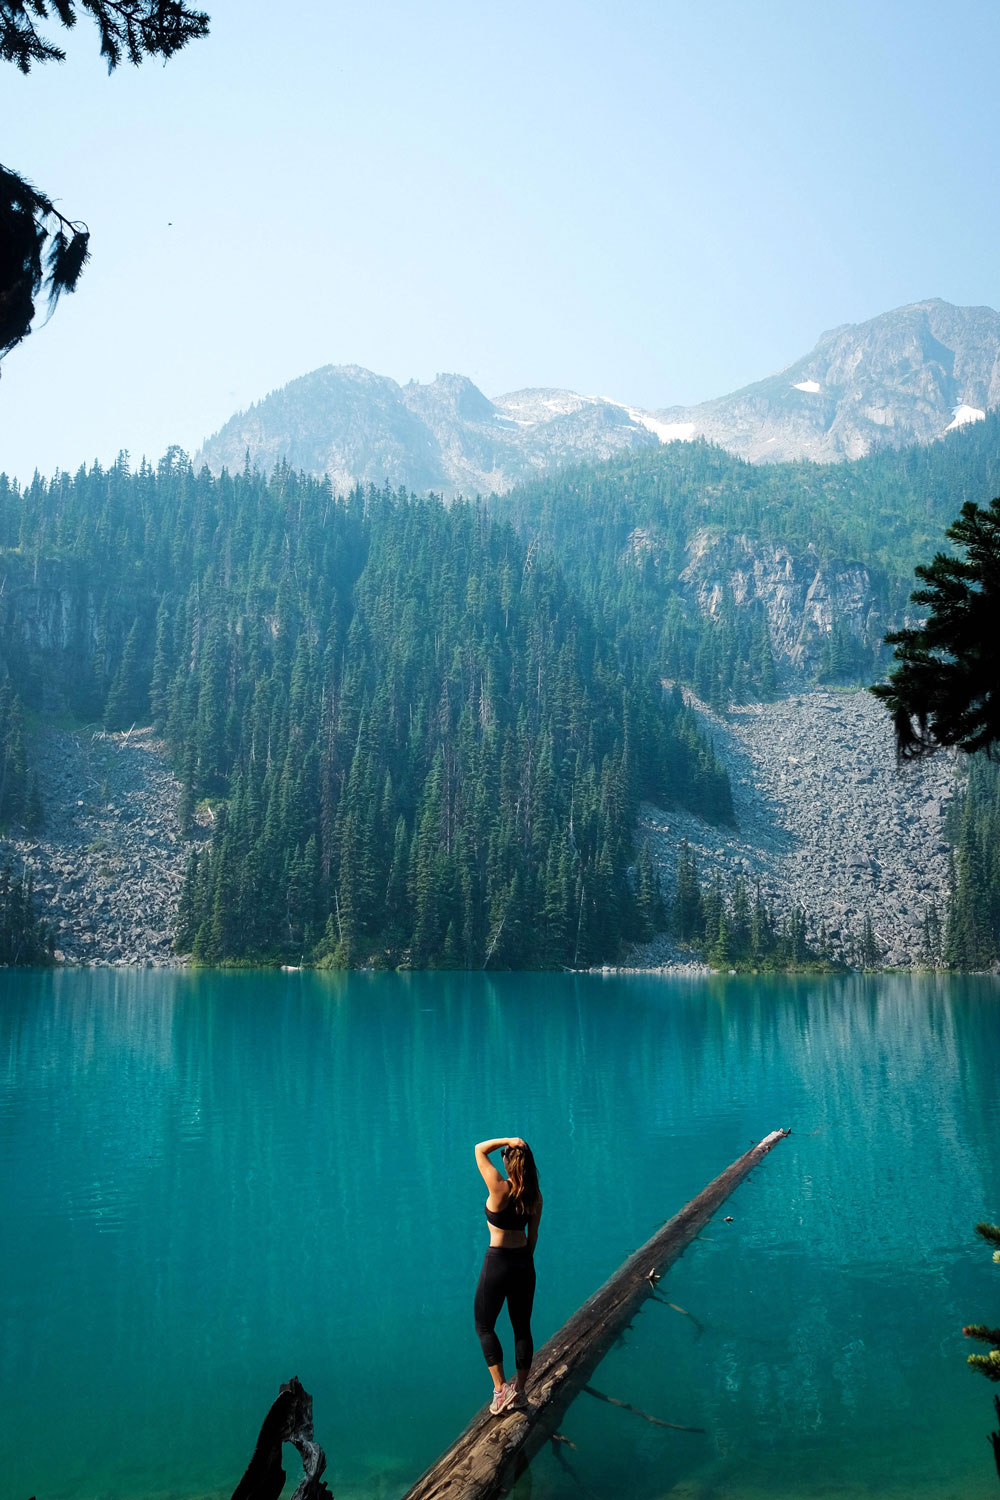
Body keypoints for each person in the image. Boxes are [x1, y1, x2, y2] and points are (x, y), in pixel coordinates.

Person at [473, 1135, 542, 1415]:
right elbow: (532, 1236)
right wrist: (523, 1263)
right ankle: (521, 1392)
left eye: (504, 1156)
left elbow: (479, 1149)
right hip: (524, 1263)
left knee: (484, 1325)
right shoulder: (534, 1196)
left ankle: (501, 1390)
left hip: (498, 1263)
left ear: (508, 1162)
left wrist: (508, 1140)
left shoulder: (499, 1188)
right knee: (522, 1327)